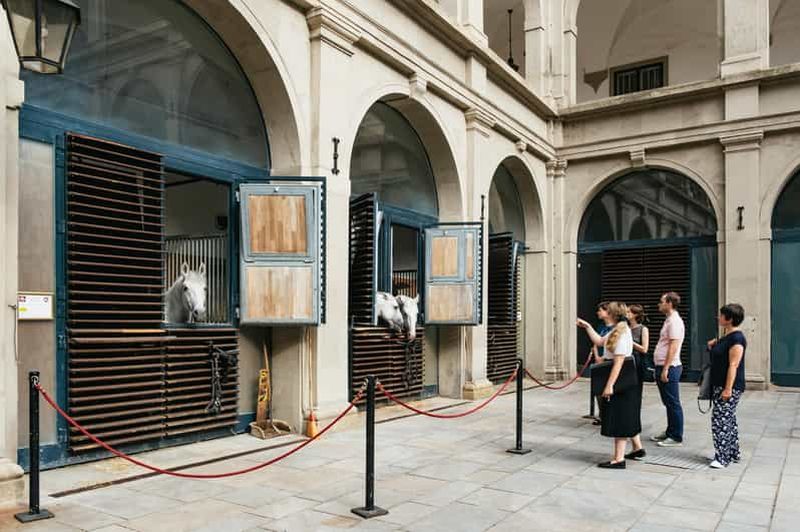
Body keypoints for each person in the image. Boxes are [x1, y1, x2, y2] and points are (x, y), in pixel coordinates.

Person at [577, 302, 641, 469]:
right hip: (620, 377)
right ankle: (629, 452)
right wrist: (587, 326)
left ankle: (619, 459)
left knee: (620, 417)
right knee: (621, 416)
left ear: (612, 314)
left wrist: (609, 385)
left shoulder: (622, 332)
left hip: (620, 379)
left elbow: (619, 361)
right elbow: (599, 341)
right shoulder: (617, 329)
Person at [706, 304, 746, 469]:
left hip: (729, 386)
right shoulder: (726, 336)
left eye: (721, 315)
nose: (718, 317)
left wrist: (728, 388)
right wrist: (713, 345)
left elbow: (733, 365)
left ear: (729, 319)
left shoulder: (737, 339)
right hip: (720, 384)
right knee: (729, 418)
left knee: (720, 420)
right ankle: (733, 453)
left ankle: (722, 458)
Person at [651, 292, 685, 447]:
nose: (659, 304)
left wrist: (665, 368)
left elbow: (673, 346)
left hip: (670, 367)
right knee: (668, 402)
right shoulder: (669, 320)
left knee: (672, 402)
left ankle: (676, 436)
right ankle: (670, 431)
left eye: (662, 301)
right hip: (663, 366)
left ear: (669, 303)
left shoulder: (675, 322)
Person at [624, 304, 648, 460]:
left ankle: (635, 441)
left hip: (636, 363)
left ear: (635, 315)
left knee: (633, 398)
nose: (626, 313)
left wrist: (629, 341)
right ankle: (636, 444)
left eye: (629, 312)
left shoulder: (642, 329)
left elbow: (645, 349)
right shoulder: (625, 328)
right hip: (626, 362)